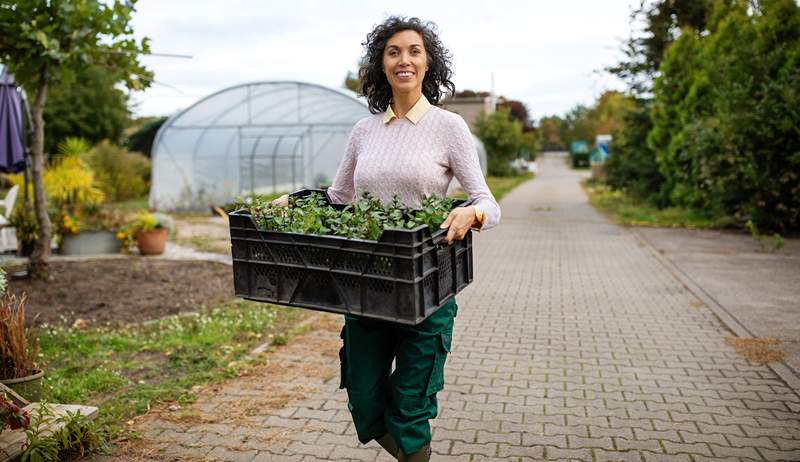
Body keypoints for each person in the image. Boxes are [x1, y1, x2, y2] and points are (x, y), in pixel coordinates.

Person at [273, 16, 500, 461]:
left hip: (426, 285)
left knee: (410, 411)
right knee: (365, 401)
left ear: (428, 63)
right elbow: (340, 196)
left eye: (414, 51)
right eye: (393, 52)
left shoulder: (448, 127)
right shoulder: (364, 130)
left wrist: (470, 212)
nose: (404, 60)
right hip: (366, 284)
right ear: (382, 64)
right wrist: (295, 201)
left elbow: (488, 202)